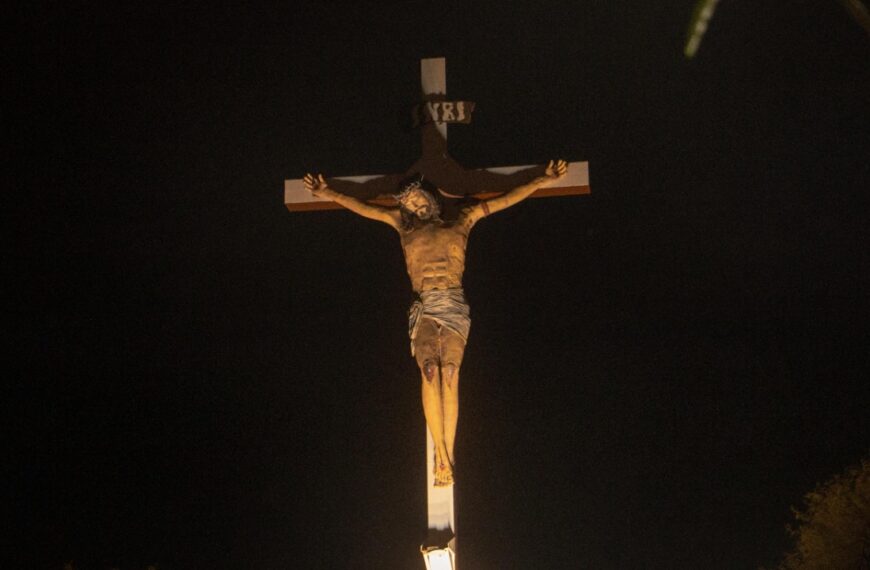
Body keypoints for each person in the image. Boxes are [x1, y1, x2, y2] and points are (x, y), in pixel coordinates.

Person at [303, 160, 568, 486]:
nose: (415, 206)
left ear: (431, 197)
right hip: (425, 304)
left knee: (451, 374)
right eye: (410, 205)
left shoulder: (462, 220)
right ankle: (441, 457)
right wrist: (328, 193)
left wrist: (542, 180)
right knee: (430, 371)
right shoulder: (403, 226)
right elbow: (363, 208)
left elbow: (507, 198)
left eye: (419, 200)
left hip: (453, 303)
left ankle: (448, 453)